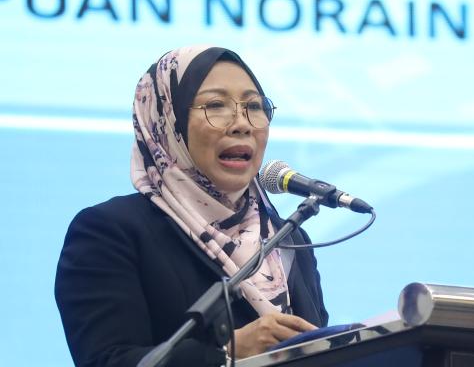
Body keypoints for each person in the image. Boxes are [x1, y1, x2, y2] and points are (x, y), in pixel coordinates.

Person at [54, 45, 329, 367]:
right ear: (167, 120)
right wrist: (227, 353)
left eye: (254, 106)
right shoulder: (110, 232)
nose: (242, 124)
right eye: (216, 105)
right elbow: (106, 361)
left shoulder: (289, 239)